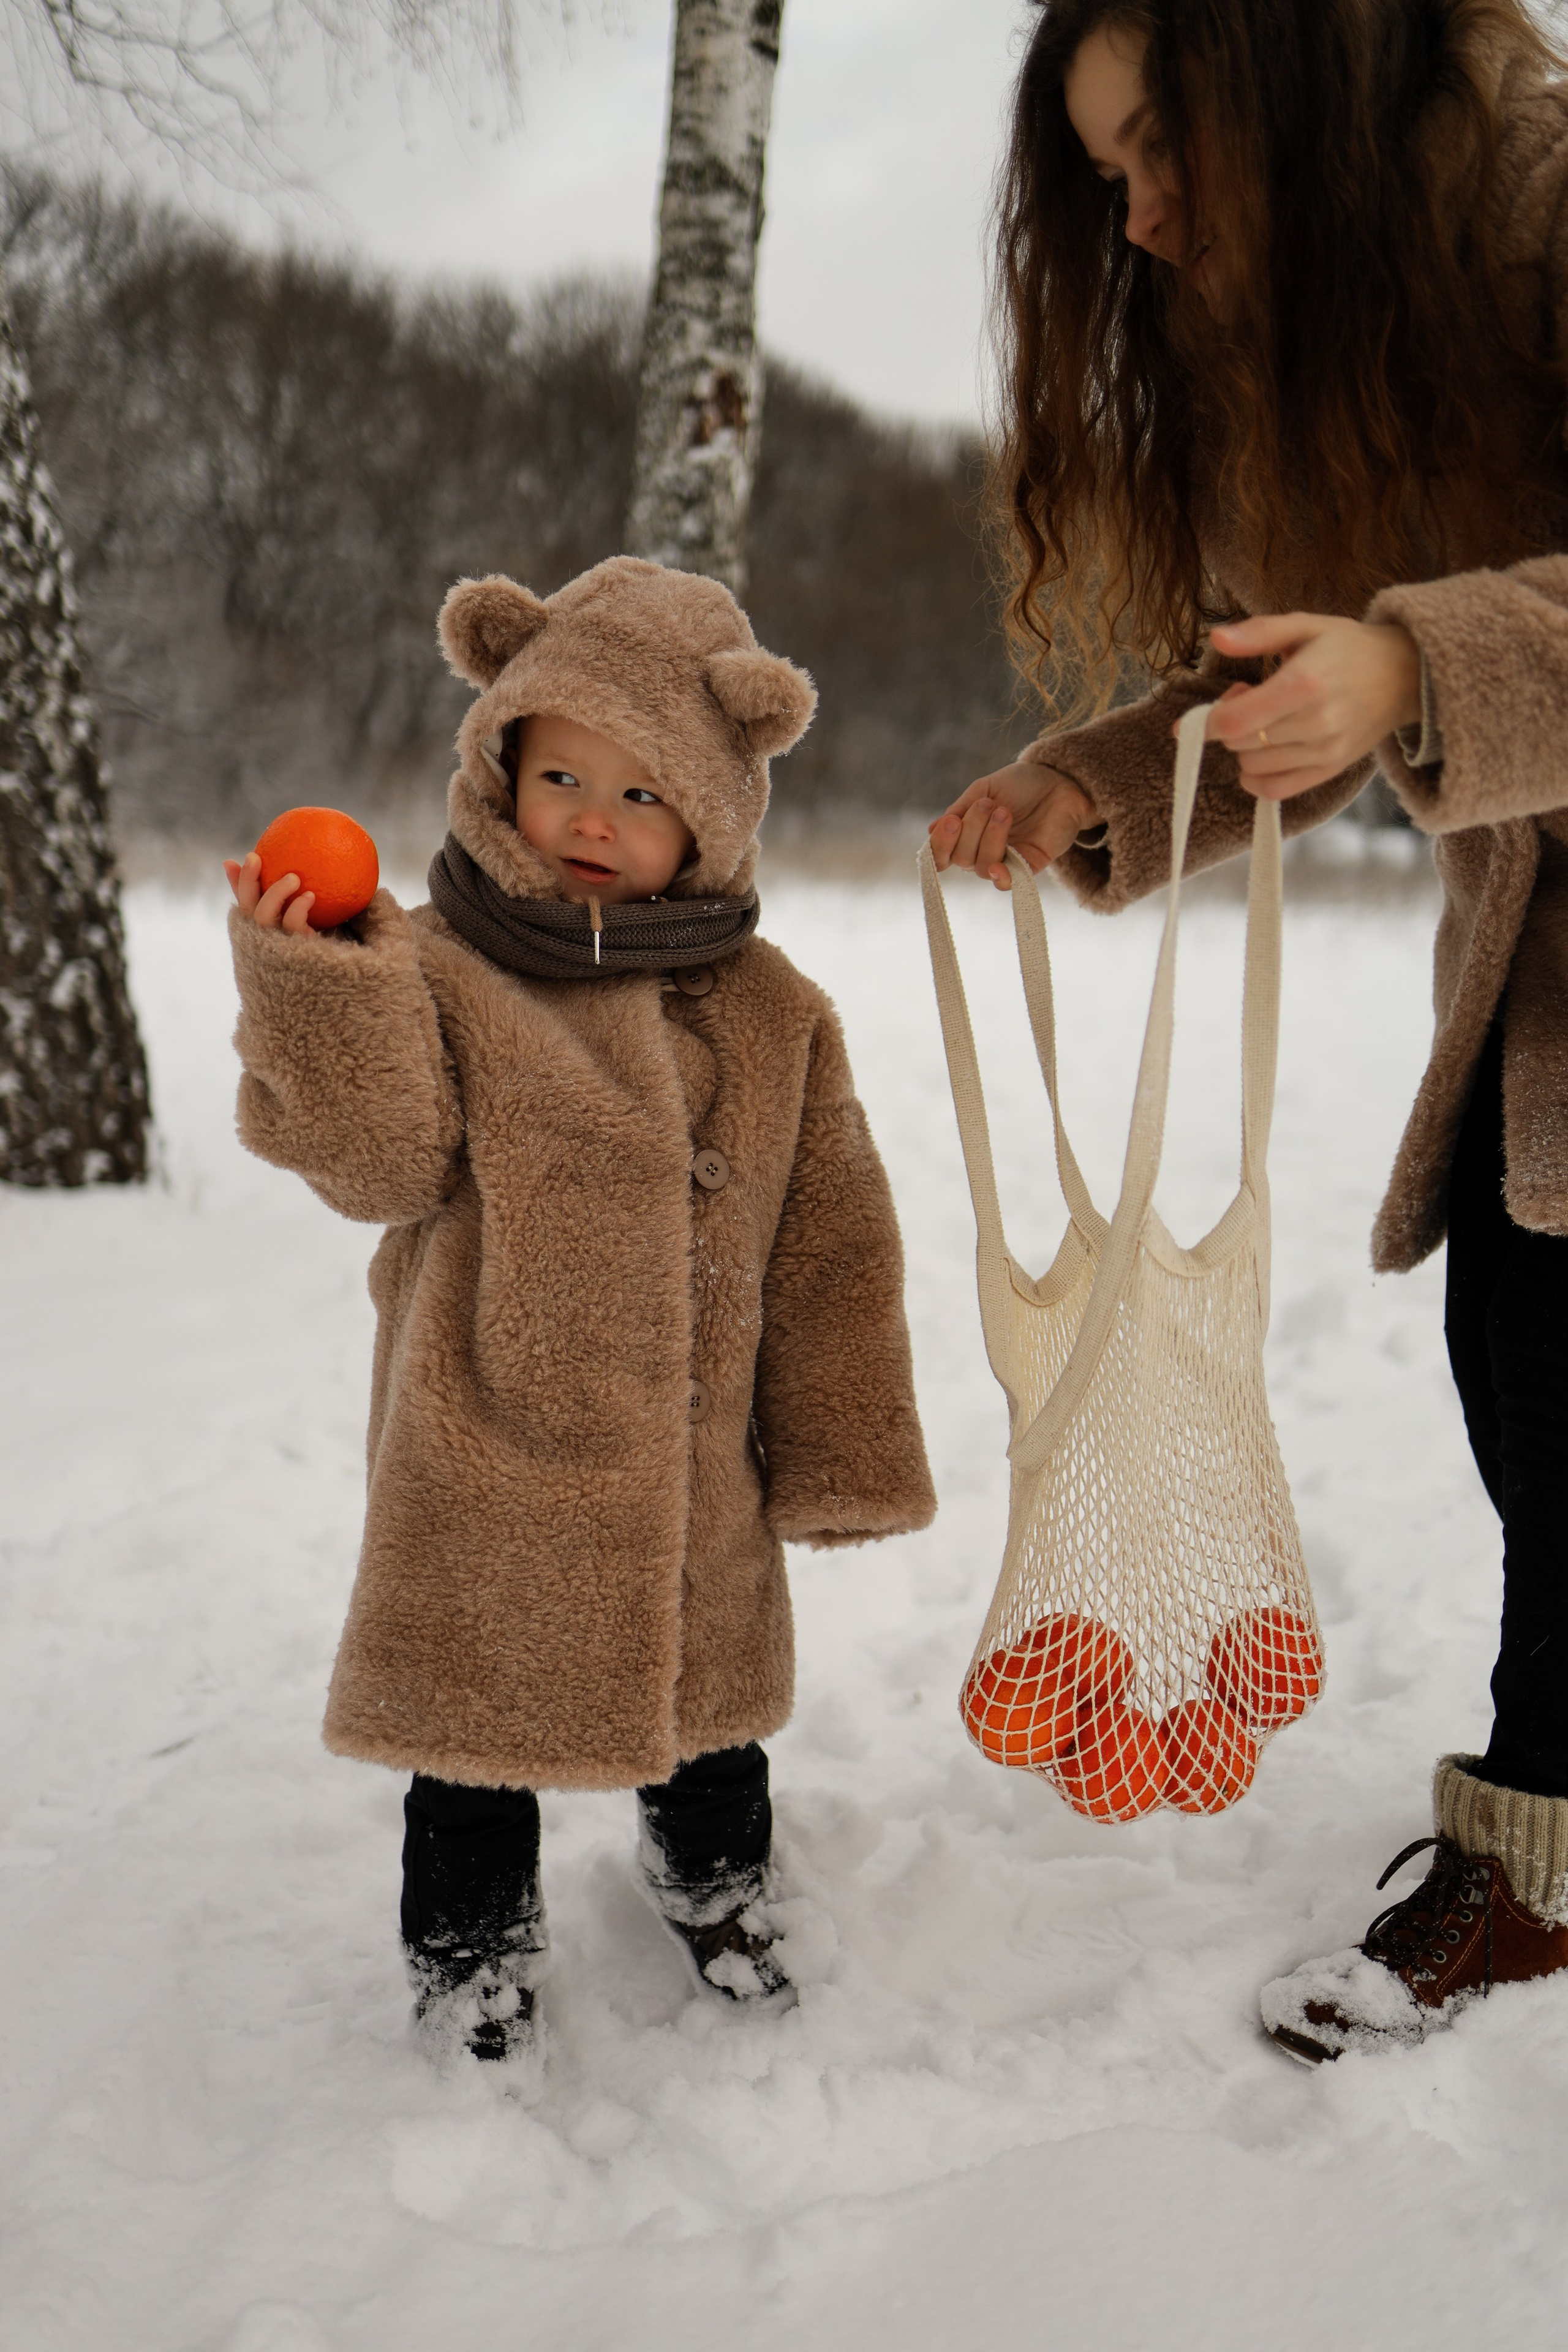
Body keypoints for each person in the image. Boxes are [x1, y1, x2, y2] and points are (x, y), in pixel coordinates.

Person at [932, 0, 1568, 2061]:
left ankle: (1548, 1859)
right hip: (1538, 955)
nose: (1139, 219)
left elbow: (1404, 663)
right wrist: (1099, 786)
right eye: (1105, 179)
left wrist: (1418, 662)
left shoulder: (1548, 207)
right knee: (1533, 1375)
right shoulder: (1339, 332)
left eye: (1162, 147)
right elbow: (1305, 689)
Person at [226, 556, 935, 2062]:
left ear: (716, 812)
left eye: (644, 792)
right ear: (499, 767)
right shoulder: (431, 963)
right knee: (473, 1740)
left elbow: (830, 1243)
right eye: (561, 775)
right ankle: (470, 1954)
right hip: (484, 1440)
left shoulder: (769, 1009)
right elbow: (377, 1163)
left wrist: (843, 1451)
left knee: (710, 1715)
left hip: (692, 1454)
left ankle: (715, 1883)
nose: (593, 820)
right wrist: (313, 985)